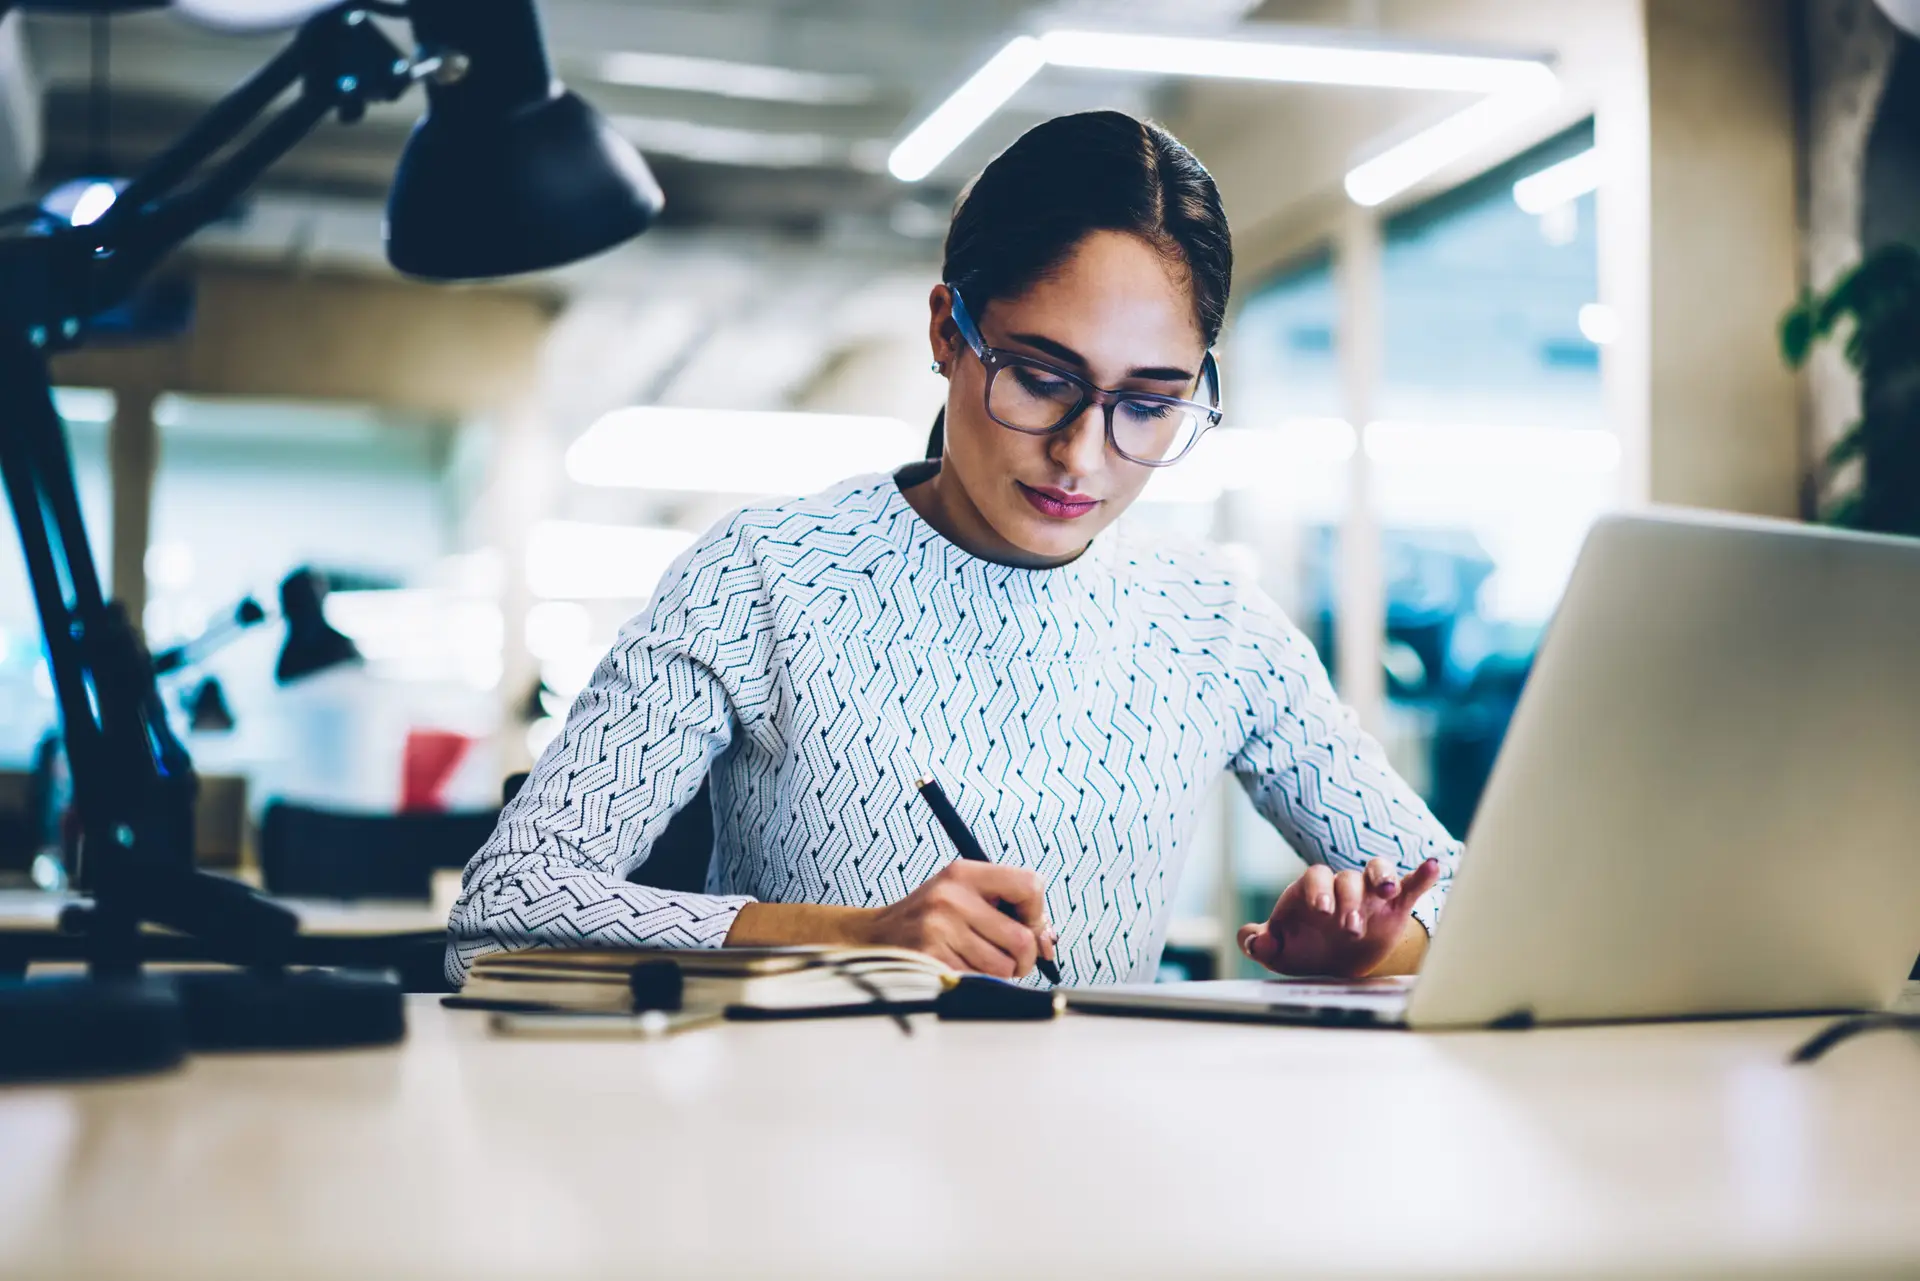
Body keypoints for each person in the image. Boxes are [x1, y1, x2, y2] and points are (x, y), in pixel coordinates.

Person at [448, 110, 1458, 987]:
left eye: (1149, 404)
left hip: (1101, 1168)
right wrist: (852, 940)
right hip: (799, 1156)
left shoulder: (1214, 624)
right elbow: (499, 912)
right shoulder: (763, 577)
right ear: (947, 329)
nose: (1079, 455)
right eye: (1038, 376)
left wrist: (1383, 948)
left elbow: (1456, 896)